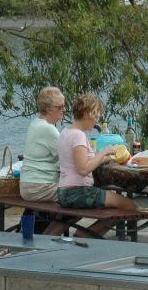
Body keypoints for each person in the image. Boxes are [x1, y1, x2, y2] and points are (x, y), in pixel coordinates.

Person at [56, 93, 139, 236]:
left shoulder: (66, 132)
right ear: (88, 113)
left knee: (112, 202)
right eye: (96, 116)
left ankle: (86, 234)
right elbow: (83, 169)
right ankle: (86, 235)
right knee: (129, 205)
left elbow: (79, 162)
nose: (96, 121)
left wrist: (106, 158)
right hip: (77, 192)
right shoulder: (78, 136)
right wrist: (103, 152)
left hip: (64, 192)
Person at [20, 86, 65, 201]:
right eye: (60, 106)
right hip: (40, 187)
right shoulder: (48, 129)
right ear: (49, 109)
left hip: (29, 185)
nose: (64, 109)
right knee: (80, 195)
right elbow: (68, 157)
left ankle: (54, 219)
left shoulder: (35, 123)